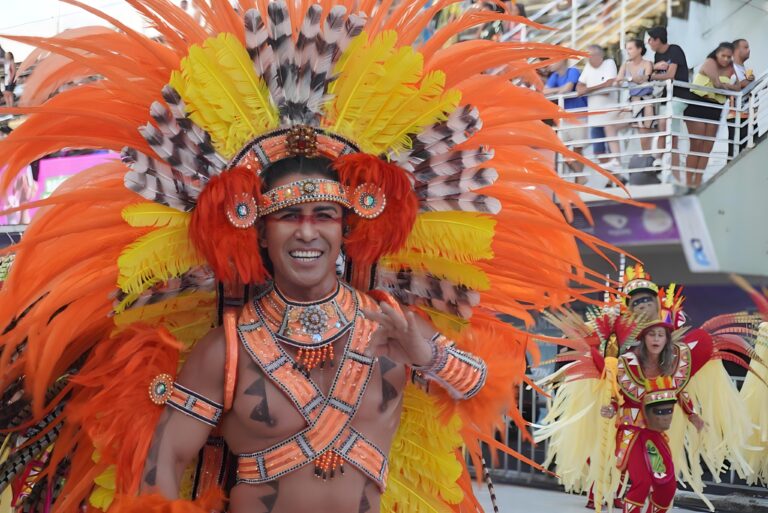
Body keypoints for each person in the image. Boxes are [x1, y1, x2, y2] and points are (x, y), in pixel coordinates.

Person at [0, 2, 619, 513]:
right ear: (258, 232)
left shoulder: (394, 327)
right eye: (288, 216)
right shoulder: (225, 349)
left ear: (347, 229)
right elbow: (163, 467)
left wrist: (426, 352)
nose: (307, 232)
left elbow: (483, 390)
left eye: (324, 216)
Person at [685, 42, 741, 188]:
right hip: (698, 103)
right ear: (717, 54)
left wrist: (729, 87)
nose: (726, 59)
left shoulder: (730, 68)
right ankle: (687, 180)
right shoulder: (710, 62)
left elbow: (738, 87)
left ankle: (697, 180)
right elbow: (717, 84)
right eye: (723, 56)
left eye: (729, 57)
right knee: (696, 144)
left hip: (716, 107)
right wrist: (729, 87)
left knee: (708, 146)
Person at [647, 26, 688, 179]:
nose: (648, 42)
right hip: (667, 95)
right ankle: (661, 160)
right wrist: (654, 70)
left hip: (679, 95)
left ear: (658, 39)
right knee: (664, 126)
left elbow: (671, 74)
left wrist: (652, 75)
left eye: (650, 39)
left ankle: (661, 159)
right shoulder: (657, 55)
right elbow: (656, 74)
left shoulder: (675, 50)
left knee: (666, 125)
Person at [577, 45, 621, 173]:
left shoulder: (609, 63)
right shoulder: (588, 67)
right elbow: (579, 87)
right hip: (594, 116)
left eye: (590, 56)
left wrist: (588, 89)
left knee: (612, 148)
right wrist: (589, 89)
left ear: (599, 55)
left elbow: (608, 85)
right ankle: (616, 179)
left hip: (609, 114)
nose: (588, 59)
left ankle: (616, 176)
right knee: (599, 151)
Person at [543, 58, 588, 180]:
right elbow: (544, 91)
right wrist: (559, 90)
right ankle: (581, 176)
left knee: (577, 149)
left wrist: (557, 91)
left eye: (552, 60)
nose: (549, 63)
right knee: (561, 149)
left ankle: (579, 179)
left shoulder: (572, 71)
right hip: (564, 117)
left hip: (578, 114)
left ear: (561, 60)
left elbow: (567, 88)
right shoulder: (555, 76)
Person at [616, 39, 655, 153]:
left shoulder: (647, 63)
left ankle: (647, 159)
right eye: (627, 49)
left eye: (630, 48)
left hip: (645, 101)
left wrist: (628, 79)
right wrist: (631, 79)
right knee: (618, 127)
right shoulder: (626, 65)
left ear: (639, 49)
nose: (628, 52)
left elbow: (644, 78)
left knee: (645, 133)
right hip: (632, 102)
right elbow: (617, 80)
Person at [727, 39, 755, 158]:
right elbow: (740, 85)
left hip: (747, 115)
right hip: (736, 116)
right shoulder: (730, 67)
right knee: (735, 153)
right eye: (745, 47)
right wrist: (751, 81)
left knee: (751, 149)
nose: (749, 50)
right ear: (736, 50)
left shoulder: (743, 68)